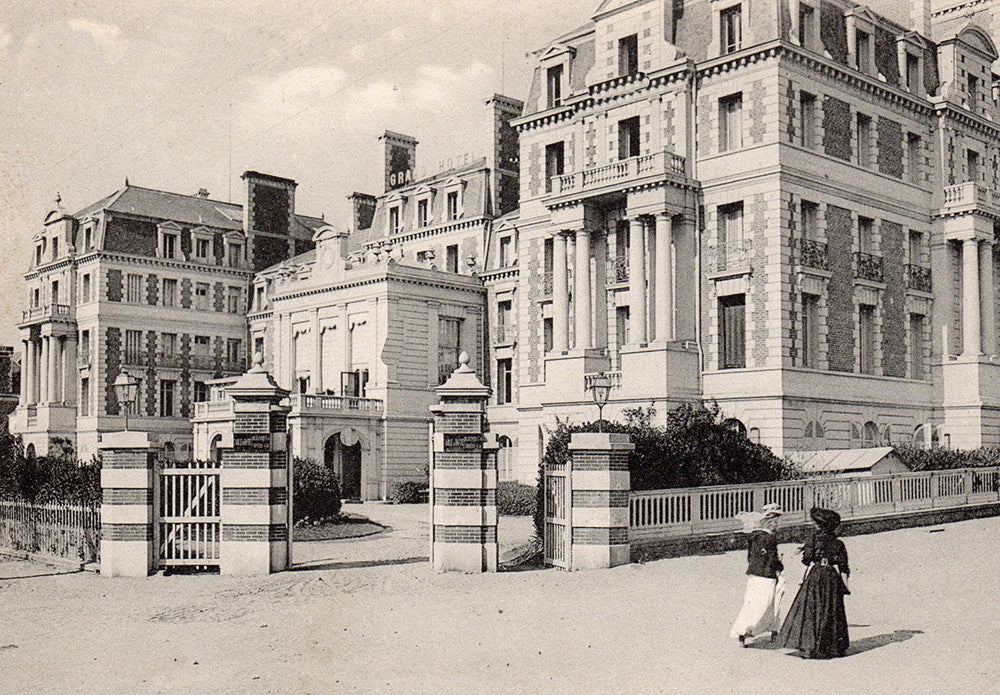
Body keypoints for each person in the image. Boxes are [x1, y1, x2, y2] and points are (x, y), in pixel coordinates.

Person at [777, 507, 851, 659]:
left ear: (819, 526)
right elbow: (844, 567)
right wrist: (846, 585)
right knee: (831, 611)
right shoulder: (838, 544)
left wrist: (805, 553)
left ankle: (809, 647)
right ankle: (833, 647)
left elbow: (806, 561)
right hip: (831, 577)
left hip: (816, 576)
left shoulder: (813, 540)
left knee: (811, 610)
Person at [729, 503, 784, 646]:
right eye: (777, 520)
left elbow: (750, 557)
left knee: (751, 603)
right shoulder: (770, 538)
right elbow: (772, 559)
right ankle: (771, 630)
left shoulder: (753, 537)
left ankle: (742, 631)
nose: (778, 523)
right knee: (770, 603)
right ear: (771, 521)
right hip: (767, 575)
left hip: (753, 573)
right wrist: (779, 567)